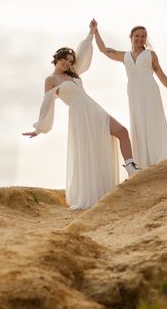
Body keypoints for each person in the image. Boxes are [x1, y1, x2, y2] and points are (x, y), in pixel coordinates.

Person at [23, 24, 141, 210]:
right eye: (64, 59)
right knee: (89, 150)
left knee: (121, 131)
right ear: (57, 59)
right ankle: (94, 193)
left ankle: (132, 168)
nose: (67, 63)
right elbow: (47, 102)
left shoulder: (74, 73)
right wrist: (39, 128)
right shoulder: (51, 80)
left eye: (70, 60)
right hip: (78, 114)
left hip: (92, 108)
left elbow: (84, 52)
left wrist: (91, 33)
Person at [91, 19, 167, 169]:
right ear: (131, 37)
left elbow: (161, 75)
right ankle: (143, 160)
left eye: (143, 36)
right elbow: (103, 50)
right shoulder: (124, 56)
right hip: (134, 94)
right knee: (138, 121)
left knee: (153, 120)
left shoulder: (150, 55)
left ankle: (159, 157)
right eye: (137, 36)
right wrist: (96, 31)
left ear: (146, 39)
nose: (140, 38)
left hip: (150, 92)